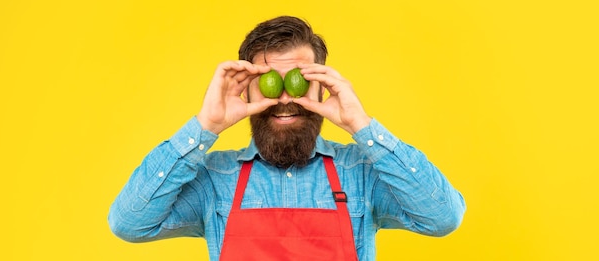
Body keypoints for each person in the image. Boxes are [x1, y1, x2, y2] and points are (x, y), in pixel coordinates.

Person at [108, 16, 466, 261]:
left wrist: (362, 126)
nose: (284, 100)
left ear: (322, 85)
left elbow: (442, 217)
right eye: (269, 83)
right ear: (246, 90)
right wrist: (206, 125)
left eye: (297, 81)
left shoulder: (361, 171)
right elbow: (129, 223)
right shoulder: (214, 179)